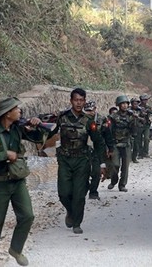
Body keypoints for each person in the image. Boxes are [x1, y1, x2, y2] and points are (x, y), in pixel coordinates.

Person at [0, 97, 48, 266]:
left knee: (27, 216)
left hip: (17, 182)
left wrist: (37, 126)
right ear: (7, 114)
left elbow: (38, 139)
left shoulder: (18, 129)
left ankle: (16, 249)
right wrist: (4, 154)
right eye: (16, 109)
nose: (20, 111)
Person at [48, 88, 106, 234]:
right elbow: (49, 132)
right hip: (65, 160)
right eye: (76, 100)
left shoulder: (88, 121)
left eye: (81, 100)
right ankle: (70, 211)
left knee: (79, 194)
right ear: (71, 101)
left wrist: (102, 164)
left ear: (85, 101)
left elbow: (98, 142)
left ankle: (77, 223)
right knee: (64, 193)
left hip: (82, 160)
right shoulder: (62, 118)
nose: (79, 103)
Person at [83, 101, 114, 200]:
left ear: (95, 109)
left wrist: (110, 148)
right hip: (83, 150)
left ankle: (93, 192)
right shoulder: (82, 120)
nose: (89, 113)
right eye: (87, 111)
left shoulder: (102, 119)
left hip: (98, 147)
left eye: (91, 110)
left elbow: (108, 135)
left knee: (96, 172)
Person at [107, 95, 137, 192]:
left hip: (126, 144)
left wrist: (135, 120)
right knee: (115, 165)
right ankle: (113, 180)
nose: (124, 106)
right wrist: (109, 145)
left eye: (126, 104)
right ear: (118, 105)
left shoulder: (131, 116)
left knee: (125, 166)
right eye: (122, 104)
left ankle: (122, 185)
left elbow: (135, 132)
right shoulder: (113, 117)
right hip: (115, 144)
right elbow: (109, 131)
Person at [138, 94, 152, 158]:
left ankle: (146, 152)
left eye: (146, 100)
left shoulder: (148, 107)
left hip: (146, 125)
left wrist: (149, 111)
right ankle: (140, 153)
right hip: (139, 125)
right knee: (139, 140)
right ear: (141, 100)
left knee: (146, 139)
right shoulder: (137, 107)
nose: (145, 101)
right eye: (144, 100)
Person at [129, 97, 144, 163]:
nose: (135, 105)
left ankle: (134, 158)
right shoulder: (128, 111)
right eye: (134, 104)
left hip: (138, 129)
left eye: (136, 104)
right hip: (129, 129)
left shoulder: (140, 110)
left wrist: (138, 118)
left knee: (136, 145)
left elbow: (144, 120)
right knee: (129, 144)